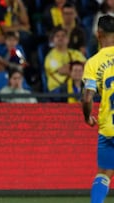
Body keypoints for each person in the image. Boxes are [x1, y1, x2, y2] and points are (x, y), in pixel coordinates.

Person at [82, 15, 114, 203]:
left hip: (107, 126)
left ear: (98, 34)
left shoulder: (93, 63)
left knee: (104, 173)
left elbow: (87, 97)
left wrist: (87, 116)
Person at [44, 26, 86, 92]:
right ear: (53, 40)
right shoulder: (50, 57)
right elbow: (62, 70)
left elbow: (86, 67)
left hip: (76, 87)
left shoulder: (75, 53)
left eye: (63, 36)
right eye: (57, 36)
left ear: (68, 39)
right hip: (57, 90)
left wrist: (70, 68)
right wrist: (76, 67)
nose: (60, 38)